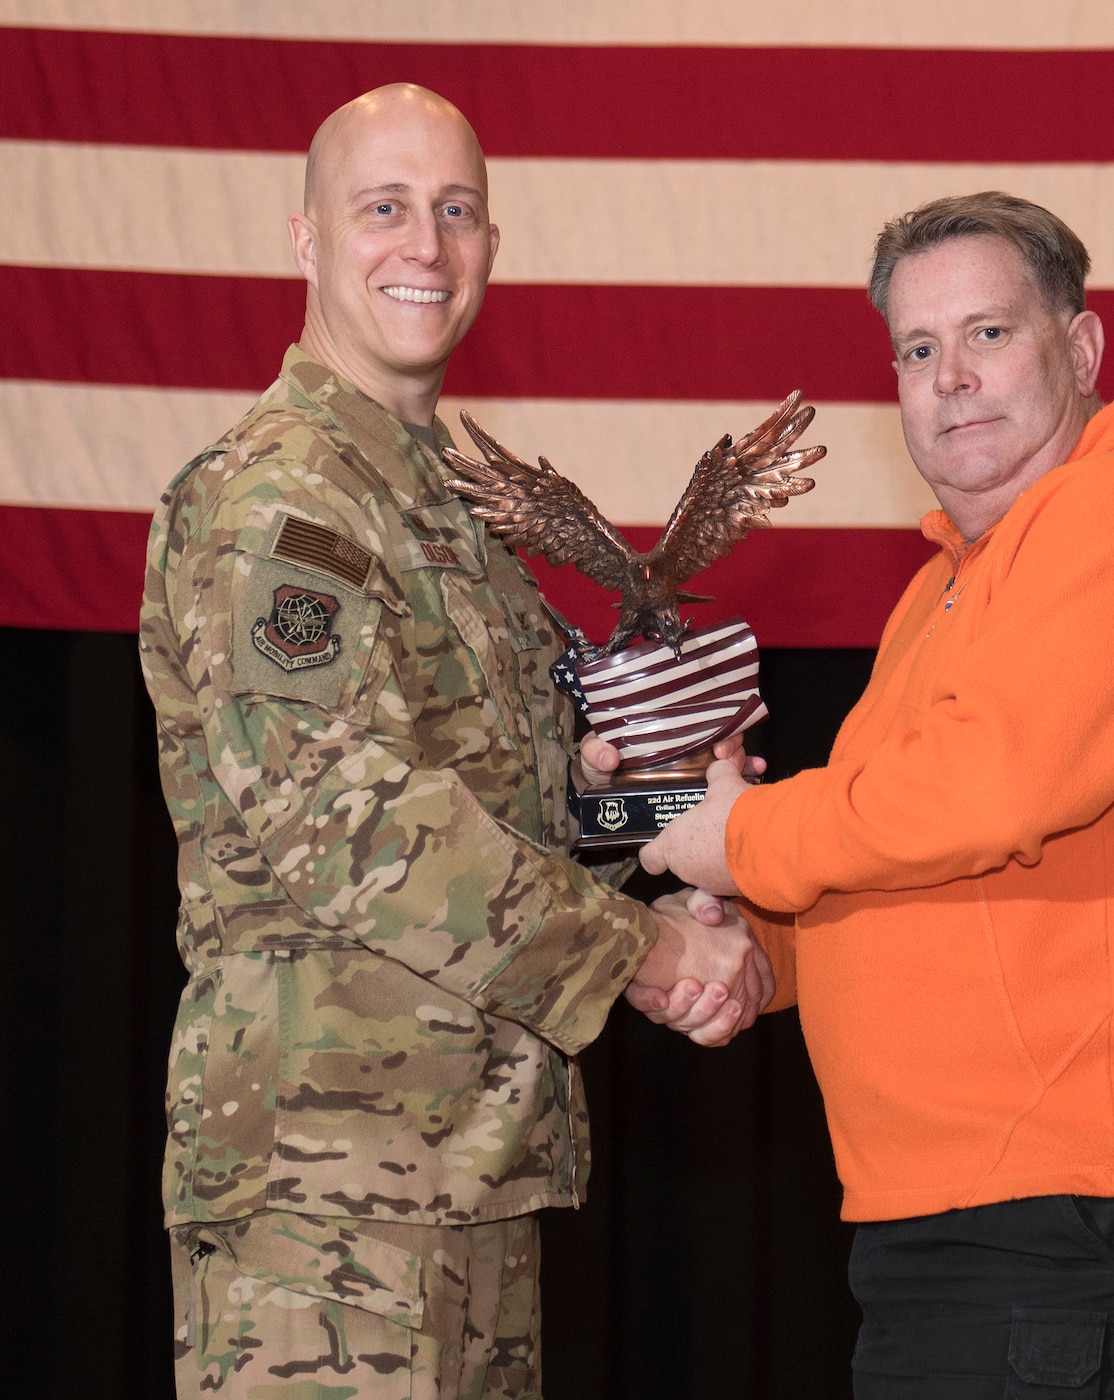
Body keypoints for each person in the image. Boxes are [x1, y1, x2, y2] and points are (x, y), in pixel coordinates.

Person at [138, 84, 768, 1398]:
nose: (424, 245)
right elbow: (346, 824)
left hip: (469, 1165)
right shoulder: (284, 497)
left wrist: (674, 824)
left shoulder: (458, 522)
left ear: (491, 246)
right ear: (306, 237)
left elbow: (523, 811)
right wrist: (648, 955)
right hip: (321, 1200)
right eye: (384, 208)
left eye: (456, 211)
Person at [628, 192, 1114, 1398]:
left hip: (1086, 1206)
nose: (950, 377)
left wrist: (735, 835)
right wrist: (747, 956)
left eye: (987, 333)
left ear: (1082, 348)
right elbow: (899, 844)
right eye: (917, 349)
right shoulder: (948, 586)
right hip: (996, 1207)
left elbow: (982, 792)